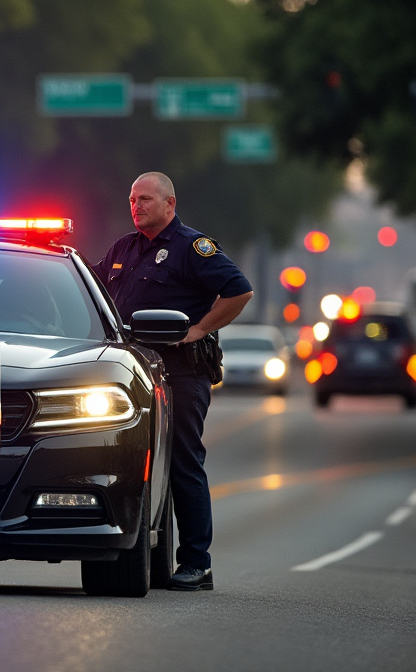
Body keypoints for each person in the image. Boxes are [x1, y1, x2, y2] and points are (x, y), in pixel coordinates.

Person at [92, 172, 252, 592]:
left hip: (181, 372)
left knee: (182, 462)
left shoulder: (191, 248)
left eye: (145, 198)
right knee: (133, 465)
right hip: (132, 374)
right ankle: (144, 554)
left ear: (170, 203)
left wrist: (199, 329)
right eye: (132, 199)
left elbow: (238, 291)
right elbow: (89, 288)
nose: (137, 205)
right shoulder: (123, 249)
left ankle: (197, 563)